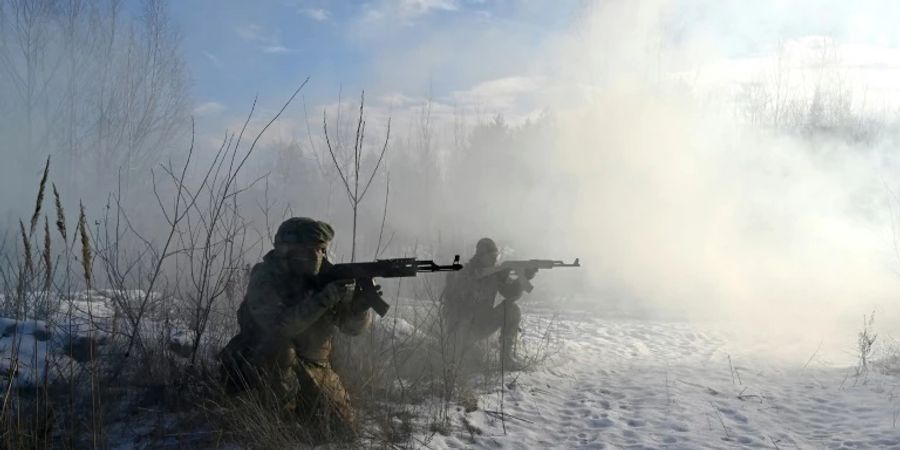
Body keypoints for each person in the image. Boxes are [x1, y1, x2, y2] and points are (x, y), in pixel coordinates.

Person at [218, 217, 371, 441]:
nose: (317, 256)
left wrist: (361, 308)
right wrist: (324, 298)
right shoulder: (266, 277)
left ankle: (302, 414)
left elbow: (352, 329)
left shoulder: (327, 277)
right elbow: (280, 326)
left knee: (343, 434)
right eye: (309, 250)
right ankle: (274, 424)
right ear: (286, 251)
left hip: (315, 366)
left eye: (321, 249)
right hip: (263, 363)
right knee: (280, 349)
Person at [441, 237, 537, 370]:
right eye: (491, 256)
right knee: (456, 368)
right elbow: (455, 300)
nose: (494, 260)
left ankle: (506, 360)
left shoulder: (494, 274)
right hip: (459, 329)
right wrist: (480, 280)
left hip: (481, 325)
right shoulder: (462, 273)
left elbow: (511, 295)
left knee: (512, 310)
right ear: (480, 256)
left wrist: (523, 277)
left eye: (496, 256)